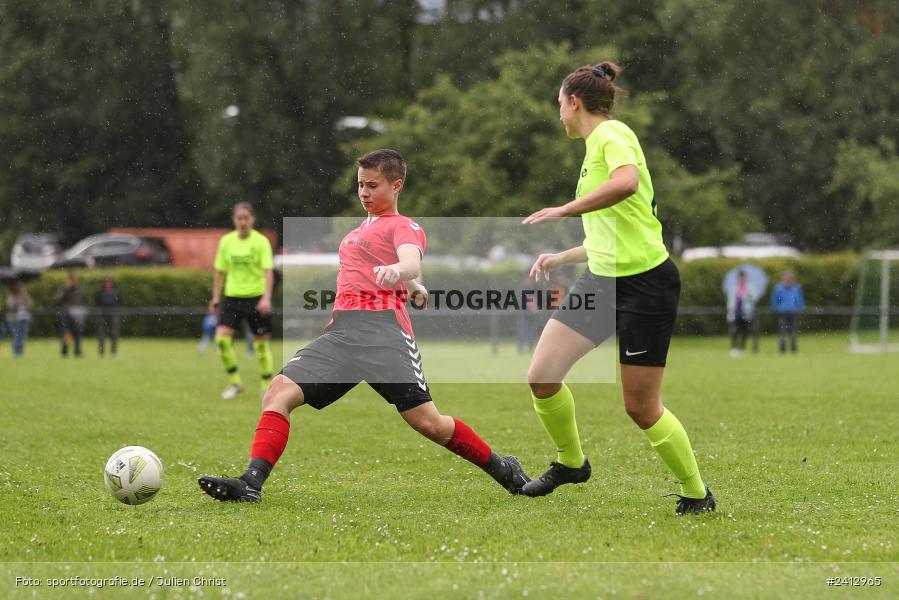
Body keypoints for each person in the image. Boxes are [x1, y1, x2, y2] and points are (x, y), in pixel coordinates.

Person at [198, 149, 530, 502]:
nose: (364, 192)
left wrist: (404, 275)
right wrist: (411, 287)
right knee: (278, 392)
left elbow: (410, 261)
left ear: (396, 185)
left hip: (384, 335)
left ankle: (503, 468)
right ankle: (251, 483)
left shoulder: (405, 226)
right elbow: (382, 268)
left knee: (428, 423)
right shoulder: (358, 231)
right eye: (360, 185)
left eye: (373, 185)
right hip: (342, 334)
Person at [519, 61, 715, 514]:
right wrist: (562, 256)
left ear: (574, 102)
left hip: (646, 284)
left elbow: (626, 185)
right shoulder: (592, 150)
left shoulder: (612, 134)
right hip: (602, 281)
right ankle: (571, 463)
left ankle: (696, 492)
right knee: (542, 376)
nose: (559, 117)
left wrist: (564, 209)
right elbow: (611, 233)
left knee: (641, 408)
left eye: (559, 107)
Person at [209, 202, 275, 399]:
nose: (243, 222)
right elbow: (219, 272)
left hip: (256, 298)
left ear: (252, 219)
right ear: (234, 220)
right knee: (221, 339)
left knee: (261, 345)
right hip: (232, 298)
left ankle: (266, 386)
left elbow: (268, 272)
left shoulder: (261, 241)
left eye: (246, 218)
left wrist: (266, 298)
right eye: (239, 218)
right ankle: (235, 383)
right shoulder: (226, 242)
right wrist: (215, 297)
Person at [770, 271, 805, 353]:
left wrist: (799, 308)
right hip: (782, 313)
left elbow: (799, 300)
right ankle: (782, 350)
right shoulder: (778, 288)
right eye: (786, 279)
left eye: (789, 279)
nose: (788, 281)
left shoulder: (796, 288)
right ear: (783, 279)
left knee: (794, 333)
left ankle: (794, 350)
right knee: (783, 333)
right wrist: (777, 308)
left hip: (794, 313)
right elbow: (775, 300)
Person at [726, 270, 758, 357]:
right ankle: (734, 348)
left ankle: (742, 348)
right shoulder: (733, 288)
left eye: (743, 277)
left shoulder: (750, 288)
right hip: (735, 312)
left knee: (745, 331)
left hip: (746, 313)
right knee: (734, 331)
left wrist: (749, 295)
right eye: (740, 277)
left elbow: (754, 300)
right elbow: (730, 301)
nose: (742, 279)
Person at [58, 269, 87, 357]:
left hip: (77, 314)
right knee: (67, 333)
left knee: (78, 333)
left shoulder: (80, 289)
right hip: (67, 314)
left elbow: (84, 299)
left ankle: (77, 350)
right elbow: (60, 299)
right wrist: (67, 289)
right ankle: (65, 350)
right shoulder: (64, 288)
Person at [94, 276, 123, 357]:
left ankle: (113, 352)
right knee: (101, 334)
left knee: (114, 334)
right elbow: (96, 303)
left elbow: (120, 303)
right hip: (102, 315)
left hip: (113, 314)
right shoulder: (99, 292)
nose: (107, 283)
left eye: (109, 282)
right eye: (106, 282)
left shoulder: (116, 291)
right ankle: (101, 352)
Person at [6, 280, 33, 357]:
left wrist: (26, 299)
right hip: (14, 319)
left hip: (25, 318)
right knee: (16, 336)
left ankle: (20, 353)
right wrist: (19, 300)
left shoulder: (25, 295)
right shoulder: (11, 296)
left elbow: (30, 305)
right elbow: (12, 306)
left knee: (22, 336)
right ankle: (16, 353)